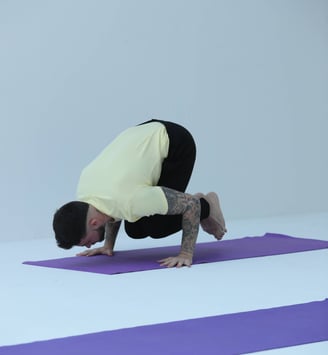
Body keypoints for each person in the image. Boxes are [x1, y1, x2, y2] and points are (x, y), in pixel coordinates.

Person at [53, 119, 226, 268]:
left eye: (85, 241)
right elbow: (111, 207)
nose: (89, 244)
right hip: (142, 133)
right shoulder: (85, 192)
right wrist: (108, 245)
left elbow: (190, 205)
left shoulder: (130, 200)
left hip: (175, 142)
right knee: (135, 229)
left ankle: (207, 204)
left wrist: (185, 254)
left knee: (157, 227)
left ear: (93, 222)